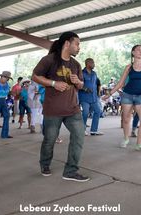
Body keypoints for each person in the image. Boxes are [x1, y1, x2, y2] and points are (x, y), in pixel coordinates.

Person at [32, 31, 90, 182]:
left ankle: (70, 171)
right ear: (67, 43)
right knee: (49, 139)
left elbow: (81, 85)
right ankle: (45, 164)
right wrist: (53, 83)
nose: (79, 48)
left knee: (79, 136)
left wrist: (78, 81)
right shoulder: (49, 60)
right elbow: (35, 76)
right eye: (77, 44)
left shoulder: (76, 64)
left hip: (73, 109)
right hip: (53, 110)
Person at [103, 45, 141, 152]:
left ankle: (139, 144)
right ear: (133, 52)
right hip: (127, 95)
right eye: (138, 50)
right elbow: (120, 83)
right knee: (126, 119)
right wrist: (109, 94)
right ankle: (126, 138)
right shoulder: (128, 67)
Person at [79, 58, 103, 136]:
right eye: (92, 62)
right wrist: (85, 88)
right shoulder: (82, 73)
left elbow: (97, 84)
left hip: (94, 98)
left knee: (98, 111)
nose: (94, 64)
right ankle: (82, 130)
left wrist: (98, 93)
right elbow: (78, 84)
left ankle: (94, 130)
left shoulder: (94, 74)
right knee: (85, 112)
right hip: (84, 97)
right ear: (87, 63)